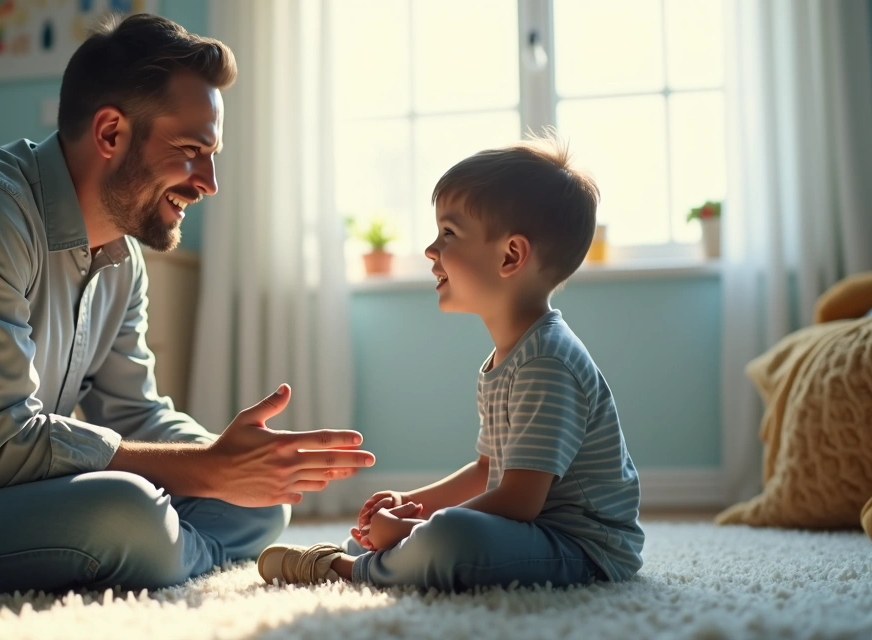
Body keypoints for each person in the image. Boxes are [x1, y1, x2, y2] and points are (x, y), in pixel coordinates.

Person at [0, 13, 374, 595]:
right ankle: (157, 551)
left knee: (260, 508)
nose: (209, 181)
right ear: (111, 132)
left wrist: (235, 460)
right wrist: (206, 470)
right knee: (126, 513)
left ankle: (163, 555)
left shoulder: (122, 258)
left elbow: (135, 413)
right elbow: (5, 445)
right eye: (192, 148)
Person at [257, 133, 644, 591]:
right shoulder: (509, 358)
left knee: (451, 536)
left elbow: (520, 501)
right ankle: (373, 553)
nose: (430, 251)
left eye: (449, 233)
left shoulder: (548, 363)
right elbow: (487, 470)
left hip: (585, 549)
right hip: (538, 529)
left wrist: (418, 528)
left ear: (511, 255)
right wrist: (410, 503)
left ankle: (347, 568)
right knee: (425, 530)